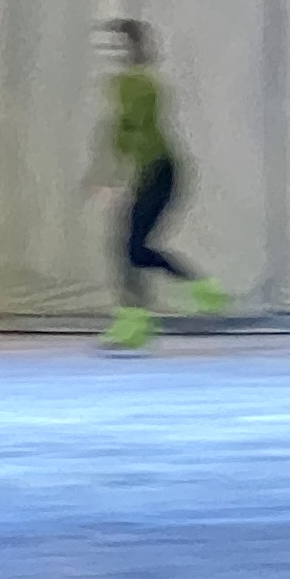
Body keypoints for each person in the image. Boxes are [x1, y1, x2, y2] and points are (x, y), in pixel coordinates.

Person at [87, 20, 229, 351]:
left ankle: (186, 294)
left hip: (162, 172)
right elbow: (122, 138)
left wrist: (117, 178)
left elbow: (137, 133)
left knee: (133, 248)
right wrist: (112, 176)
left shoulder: (143, 86)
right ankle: (137, 320)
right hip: (150, 173)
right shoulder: (124, 86)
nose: (114, 52)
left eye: (120, 45)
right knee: (129, 249)